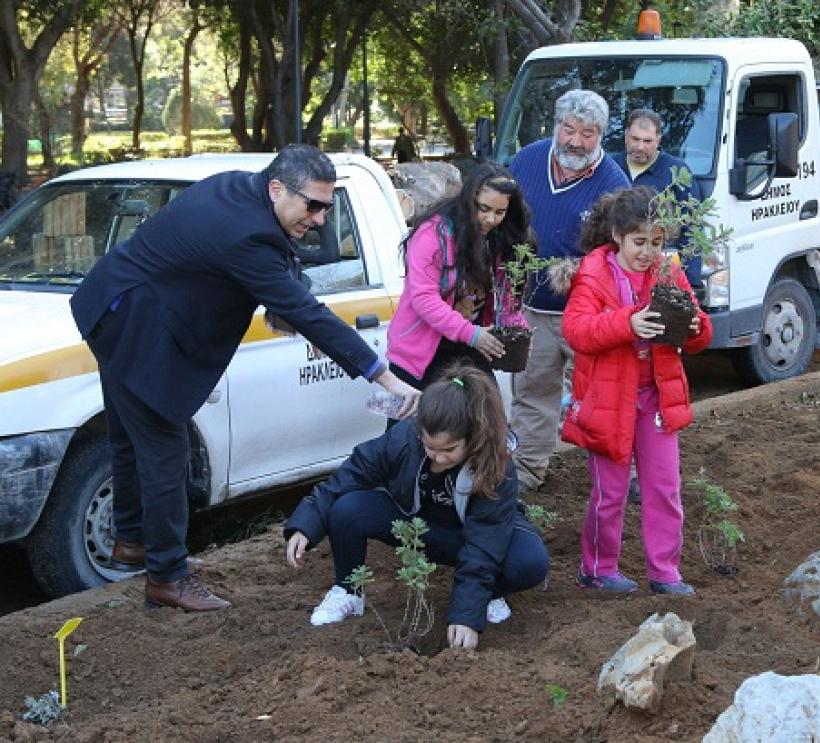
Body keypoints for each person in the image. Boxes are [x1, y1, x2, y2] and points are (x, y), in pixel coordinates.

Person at [70, 144, 421, 613]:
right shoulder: (247, 235)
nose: (319, 219)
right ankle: (168, 578)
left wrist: (284, 304)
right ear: (277, 188)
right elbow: (302, 306)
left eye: (326, 206)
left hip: (113, 305)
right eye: (311, 205)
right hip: (136, 326)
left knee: (128, 439)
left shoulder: (241, 187)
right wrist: (386, 378)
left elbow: (281, 263)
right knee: (164, 451)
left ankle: (134, 541)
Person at [284, 365, 550, 649]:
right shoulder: (404, 439)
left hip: (467, 535)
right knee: (349, 508)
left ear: (473, 437)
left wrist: (466, 615)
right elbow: (351, 474)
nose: (437, 456)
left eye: (449, 450)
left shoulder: (494, 465)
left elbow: (485, 540)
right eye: (429, 446)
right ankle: (348, 591)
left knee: (529, 561)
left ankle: (487, 594)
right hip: (417, 525)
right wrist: (307, 522)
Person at [558, 186, 711, 594]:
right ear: (617, 236)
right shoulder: (593, 273)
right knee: (610, 492)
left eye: (656, 242)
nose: (647, 252)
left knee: (664, 487)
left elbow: (695, 326)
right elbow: (577, 331)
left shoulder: (667, 271)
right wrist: (628, 323)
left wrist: (696, 328)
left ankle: (665, 572)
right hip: (608, 402)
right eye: (639, 242)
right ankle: (597, 568)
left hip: (656, 398)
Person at [508, 89, 630, 492]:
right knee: (532, 392)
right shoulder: (526, 162)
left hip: (589, 313)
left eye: (588, 133)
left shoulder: (614, 183)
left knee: (604, 394)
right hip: (533, 309)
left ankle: (622, 472)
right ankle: (526, 472)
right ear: (555, 125)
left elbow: (625, 252)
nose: (575, 141)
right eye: (569, 129)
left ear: (602, 135)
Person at [385, 162, 532, 412]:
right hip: (420, 352)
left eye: (499, 212)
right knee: (409, 436)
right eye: (483, 208)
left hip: (467, 345)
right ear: (468, 199)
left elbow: (505, 293)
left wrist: (516, 325)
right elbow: (423, 298)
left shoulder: (499, 237)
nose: (490, 219)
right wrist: (472, 335)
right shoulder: (432, 233)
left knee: (484, 421)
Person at [612, 109, 704, 288]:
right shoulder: (609, 166)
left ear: (659, 140)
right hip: (615, 269)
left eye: (647, 141)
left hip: (659, 268)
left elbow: (692, 227)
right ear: (625, 136)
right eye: (635, 139)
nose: (639, 147)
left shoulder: (677, 173)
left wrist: (690, 281)